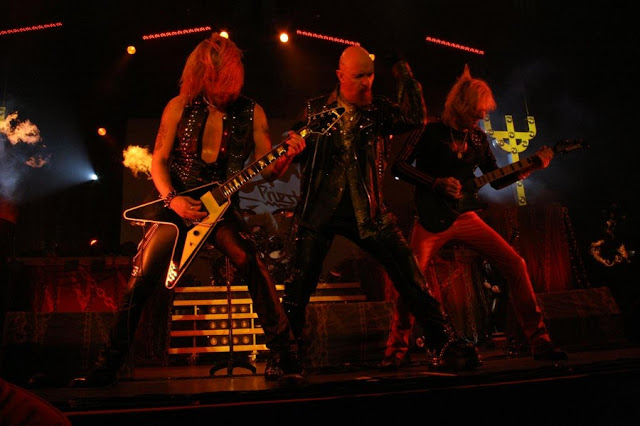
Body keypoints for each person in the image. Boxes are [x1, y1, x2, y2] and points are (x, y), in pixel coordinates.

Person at [70, 33, 306, 387]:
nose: (226, 93)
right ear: (203, 76)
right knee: (142, 279)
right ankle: (107, 366)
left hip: (223, 208)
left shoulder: (252, 111)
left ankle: (287, 359)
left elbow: (269, 170)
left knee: (254, 265)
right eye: (218, 85)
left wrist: (287, 155)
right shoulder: (179, 106)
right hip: (177, 205)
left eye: (231, 85)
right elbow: (159, 161)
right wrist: (173, 200)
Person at [281, 45, 481, 373]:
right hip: (319, 212)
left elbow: (414, 117)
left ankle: (443, 341)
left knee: (410, 275)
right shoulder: (315, 110)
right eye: (358, 76)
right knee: (298, 285)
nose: (366, 83)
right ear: (340, 75)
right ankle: (285, 355)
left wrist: (402, 69)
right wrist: (291, 147)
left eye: (370, 76)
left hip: (369, 210)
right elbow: (293, 149)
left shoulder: (379, 110)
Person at [380, 64, 568, 370]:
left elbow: (496, 180)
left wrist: (530, 166)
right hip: (429, 220)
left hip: (466, 217)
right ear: (460, 105)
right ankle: (395, 351)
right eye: (476, 113)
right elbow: (399, 167)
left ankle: (540, 341)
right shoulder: (428, 129)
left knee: (516, 264)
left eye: (482, 114)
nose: (480, 118)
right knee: (411, 279)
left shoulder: (478, 139)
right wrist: (435, 183)